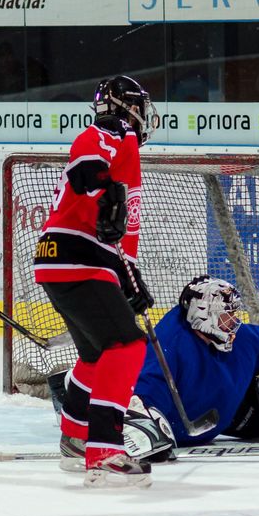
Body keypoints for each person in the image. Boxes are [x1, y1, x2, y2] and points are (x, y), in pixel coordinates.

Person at [53, 275, 259, 459]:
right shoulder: (166, 347)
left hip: (220, 418)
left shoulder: (243, 341)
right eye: (227, 316)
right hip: (155, 417)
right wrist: (142, 428)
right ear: (204, 314)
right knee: (101, 381)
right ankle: (69, 392)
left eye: (235, 315)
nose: (233, 323)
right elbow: (136, 398)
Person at [34, 74, 157, 488]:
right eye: (140, 106)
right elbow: (87, 155)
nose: (143, 115)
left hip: (70, 259)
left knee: (94, 355)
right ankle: (104, 448)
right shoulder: (114, 129)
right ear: (128, 108)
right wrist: (99, 185)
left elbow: (111, 234)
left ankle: (75, 436)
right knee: (127, 345)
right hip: (76, 259)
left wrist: (128, 278)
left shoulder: (127, 147)